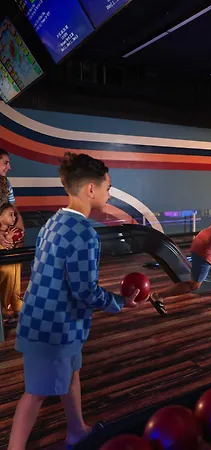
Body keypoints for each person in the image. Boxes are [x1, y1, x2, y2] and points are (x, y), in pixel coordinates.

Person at [8, 152, 147, 450]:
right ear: (91, 189)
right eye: (108, 187)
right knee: (35, 393)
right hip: (51, 329)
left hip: (50, 322)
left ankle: (76, 430)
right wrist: (120, 302)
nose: (109, 193)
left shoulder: (53, 222)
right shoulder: (84, 233)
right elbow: (85, 291)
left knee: (72, 375)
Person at [0, 203, 23, 324]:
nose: (14, 218)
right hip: (5, 264)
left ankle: (17, 306)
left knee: (14, 283)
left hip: (13, 263)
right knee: (5, 284)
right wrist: (7, 239)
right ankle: (3, 310)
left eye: (14, 215)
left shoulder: (11, 230)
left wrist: (15, 240)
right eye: (11, 215)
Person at [0, 149, 24, 250]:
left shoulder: (6, 183)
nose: (9, 168)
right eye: (6, 163)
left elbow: (13, 208)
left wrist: (20, 230)